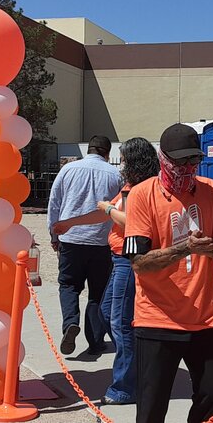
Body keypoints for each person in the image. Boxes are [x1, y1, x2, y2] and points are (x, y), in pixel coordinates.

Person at [123, 123, 213, 423]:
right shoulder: (141, 195)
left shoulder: (211, 190)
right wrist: (186, 248)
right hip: (156, 318)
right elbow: (139, 263)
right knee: (151, 408)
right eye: (180, 161)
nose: (187, 167)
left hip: (205, 317)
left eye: (193, 160)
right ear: (163, 159)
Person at [52, 137, 159, 406]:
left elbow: (132, 219)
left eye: (123, 159)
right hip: (117, 256)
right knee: (107, 312)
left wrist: (109, 209)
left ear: (134, 161)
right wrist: (69, 223)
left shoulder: (144, 188)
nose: (120, 163)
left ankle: (125, 386)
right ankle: (138, 366)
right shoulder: (130, 186)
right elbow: (105, 215)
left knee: (120, 322)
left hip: (128, 258)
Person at [47, 135, 123, 356]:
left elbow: (55, 202)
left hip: (71, 239)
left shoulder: (68, 170)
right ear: (107, 153)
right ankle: (96, 341)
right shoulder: (114, 174)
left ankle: (70, 322)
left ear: (88, 149)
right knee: (97, 292)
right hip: (102, 241)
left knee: (69, 285)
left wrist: (54, 233)